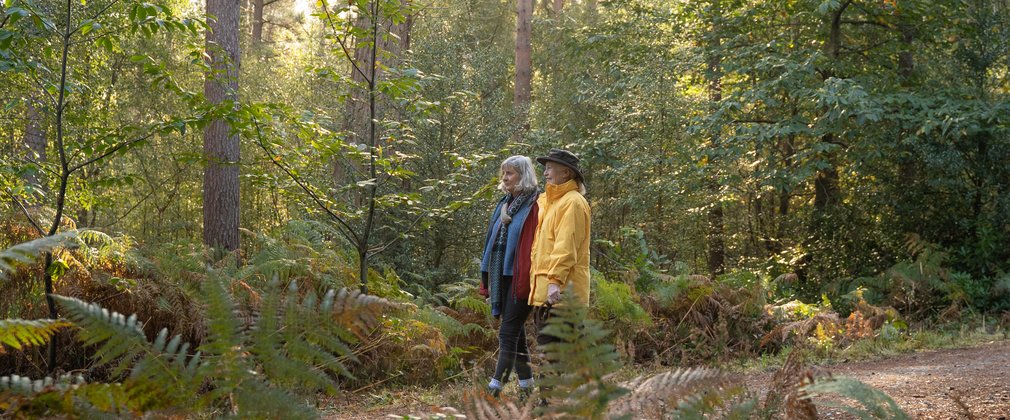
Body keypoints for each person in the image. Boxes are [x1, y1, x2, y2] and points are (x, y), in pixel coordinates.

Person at [479, 155, 540, 397]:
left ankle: (495, 387)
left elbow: (536, 245)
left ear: (523, 175)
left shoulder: (535, 206)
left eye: (510, 173)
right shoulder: (504, 204)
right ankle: (526, 386)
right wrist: (486, 279)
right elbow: (490, 243)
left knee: (507, 332)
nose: (505, 178)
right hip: (502, 275)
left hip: (522, 276)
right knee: (517, 333)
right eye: (503, 173)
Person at [528, 149, 591, 347]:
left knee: (558, 351)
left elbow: (566, 246)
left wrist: (554, 281)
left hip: (562, 293)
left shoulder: (572, 202)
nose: (545, 173)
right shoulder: (551, 203)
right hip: (547, 292)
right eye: (545, 169)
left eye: (549, 169)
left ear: (566, 173)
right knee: (556, 350)